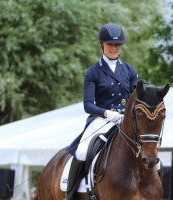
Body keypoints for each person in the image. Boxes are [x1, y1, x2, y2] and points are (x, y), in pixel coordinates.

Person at [67, 23, 138, 196]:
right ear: (102, 45)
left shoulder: (129, 70)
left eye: (117, 45)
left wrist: (128, 115)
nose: (114, 48)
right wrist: (107, 113)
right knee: (82, 151)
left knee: (152, 156)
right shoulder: (93, 72)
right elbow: (88, 105)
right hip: (100, 118)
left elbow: (137, 98)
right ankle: (72, 192)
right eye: (110, 44)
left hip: (125, 119)